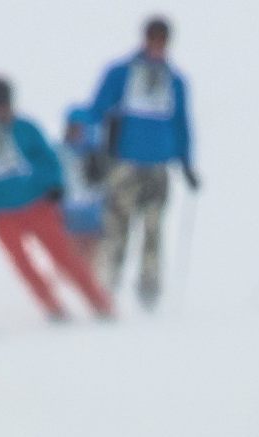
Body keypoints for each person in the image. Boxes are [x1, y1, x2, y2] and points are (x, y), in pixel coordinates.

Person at [0, 77, 113, 322]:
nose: (1, 109)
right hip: (2, 214)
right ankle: (52, 307)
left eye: (4, 103)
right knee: (23, 265)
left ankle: (100, 303)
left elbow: (48, 159)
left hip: (37, 207)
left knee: (65, 258)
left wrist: (55, 186)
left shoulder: (26, 128)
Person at [88, 18, 198, 309]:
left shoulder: (175, 81)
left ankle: (149, 292)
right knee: (117, 228)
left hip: (158, 166)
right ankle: (106, 287)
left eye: (162, 40)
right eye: (154, 38)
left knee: (153, 227)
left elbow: (181, 124)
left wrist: (186, 162)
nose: (157, 45)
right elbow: (97, 111)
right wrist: (92, 154)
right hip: (124, 162)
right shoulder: (121, 73)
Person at [59, 108, 110, 274]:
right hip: (67, 221)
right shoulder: (58, 152)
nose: (72, 131)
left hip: (94, 223)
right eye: (70, 126)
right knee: (69, 267)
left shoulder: (101, 155)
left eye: (77, 127)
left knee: (94, 268)